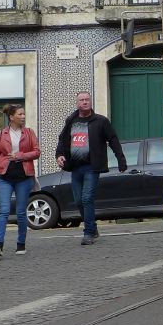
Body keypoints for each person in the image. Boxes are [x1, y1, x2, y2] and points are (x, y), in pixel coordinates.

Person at [54, 92, 126, 245]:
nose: (85, 102)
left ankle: (88, 233)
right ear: (77, 103)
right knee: (79, 200)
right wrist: (59, 154)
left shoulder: (100, 121)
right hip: (75, 167)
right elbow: (63, 139)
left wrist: (121, 159)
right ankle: (92, 226)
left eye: (87, 100)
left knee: (87, 198)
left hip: (92, 167)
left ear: (91, 102)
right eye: (82, 100)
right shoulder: (71, 121)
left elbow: (113, 139)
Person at [0, 103, 40, 258]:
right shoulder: (2, 134)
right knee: (4, 211)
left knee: (21, 212)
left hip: (24, 177)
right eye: (20, 114)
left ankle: (21, 244)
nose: (23, 117)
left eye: (24, 114)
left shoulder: (29, 133)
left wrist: (21, 155)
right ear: (11, 117)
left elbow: (37, 152)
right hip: (5, 177)